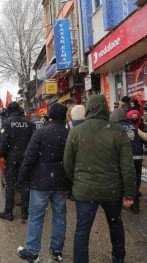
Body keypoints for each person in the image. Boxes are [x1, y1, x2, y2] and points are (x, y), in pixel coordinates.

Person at [64, 95, 136, 263]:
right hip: (112, 190)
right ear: (105, 108)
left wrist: (76, 182)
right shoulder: (118, 131)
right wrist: (129, 193)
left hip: (85, 191)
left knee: (82, 230)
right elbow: (128, 167)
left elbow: (68, 163)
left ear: (88, 108)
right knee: (116, 225)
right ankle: (118, 258)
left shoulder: (76, 131)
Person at [16, 103, 70, 263]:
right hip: (61, 182)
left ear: (50, 116)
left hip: (41, 182)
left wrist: (21, 180)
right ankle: (57, 250)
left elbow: (29, 158)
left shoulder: (41, 133)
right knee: (60, 217)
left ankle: (32, 252)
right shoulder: (69, 134)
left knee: (36, 217)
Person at [0, 102, 35, 221]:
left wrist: (3, 154)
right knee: (25, 184)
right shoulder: (29, 123)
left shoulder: (7, 122)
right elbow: (34, 141)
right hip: (26, 156)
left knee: (10, 184)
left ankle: (9, 212)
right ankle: (25, 212)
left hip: (12, 156)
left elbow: (3, 141)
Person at [110, 108, 143, 214]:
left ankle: (121, 203)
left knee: (123, 179)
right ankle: (135, 206)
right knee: (136, 181)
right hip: (138, 157)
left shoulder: (115, 128)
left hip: (126, 158)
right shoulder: (134, 127)